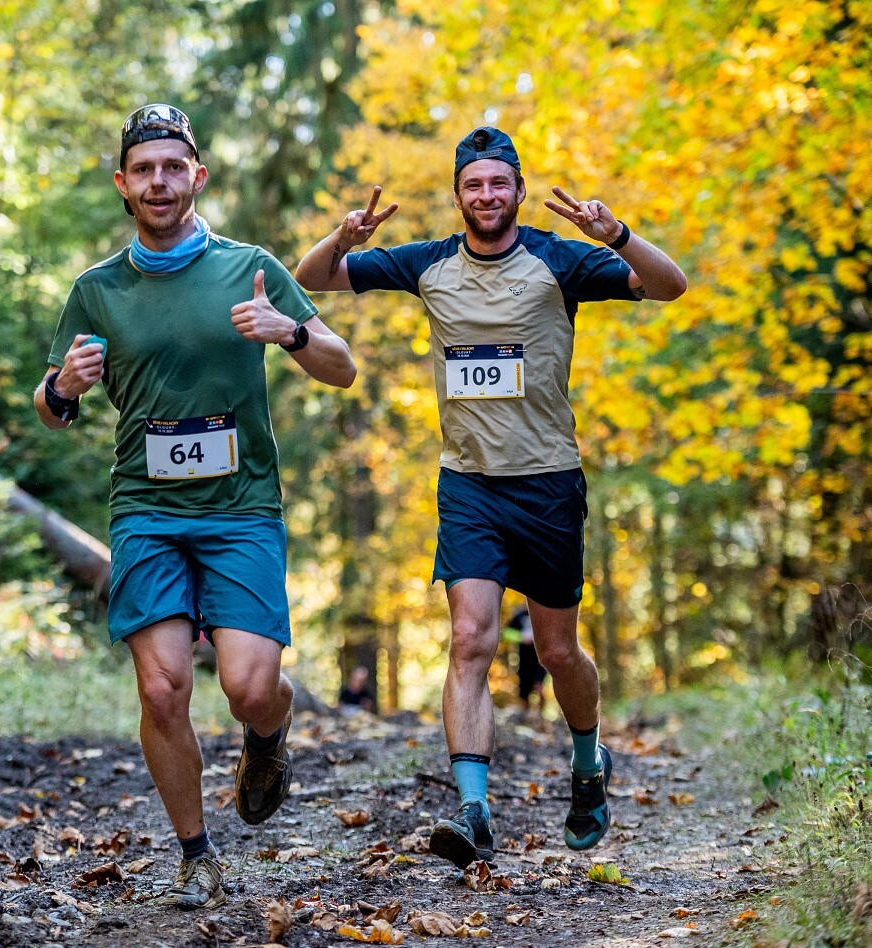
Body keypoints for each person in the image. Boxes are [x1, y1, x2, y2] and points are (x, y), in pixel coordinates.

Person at [294, 127, 686, 868]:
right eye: (472, 185)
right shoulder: (429, 263)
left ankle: (588, 758)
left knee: (556, 649)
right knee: (470, 640)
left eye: (497, 184)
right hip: (468, 483)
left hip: (547, 483)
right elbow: (315, 278)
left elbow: (670, 287)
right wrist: (341, 235)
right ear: (458, 196)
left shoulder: (558, 259)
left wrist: (622, 236)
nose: (485, 196)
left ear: (517, 190)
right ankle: (472, 811)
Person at [34, 103, 357, 909]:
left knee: (249, 686)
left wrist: (288, 332)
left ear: (197, 176)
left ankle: (268, 734)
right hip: (145, 508)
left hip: (242, 506)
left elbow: (343, 367)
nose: (159, 181)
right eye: (144, 169)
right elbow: (50, 402)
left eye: (173, 167)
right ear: (122, 183)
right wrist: (61, 388)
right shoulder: (97, 290)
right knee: (161, 689)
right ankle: (196, 855)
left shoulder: (249, 265)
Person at [507, 605, 547, 715]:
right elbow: (506, 633)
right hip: (524, 660)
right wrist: (521, 637)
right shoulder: (519, 616)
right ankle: (525, 714)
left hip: (541, 660)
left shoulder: (544, 614)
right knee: (524, 690)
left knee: (539, 686)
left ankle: (540, 714)